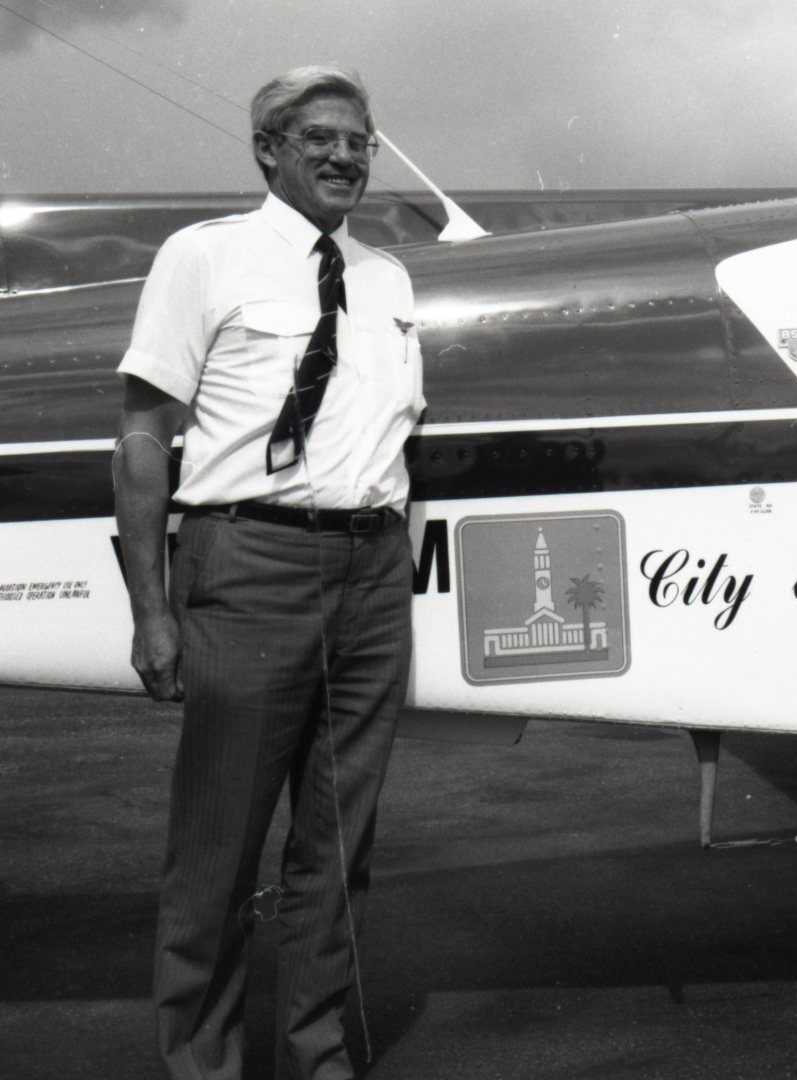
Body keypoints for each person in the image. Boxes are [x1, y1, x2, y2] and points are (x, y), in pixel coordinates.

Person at [114, 65, 423, 1080]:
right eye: (322, 138)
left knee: (338, 853)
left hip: (372, 577)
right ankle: (200, 1067)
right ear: (268, 150)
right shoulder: (204, 258)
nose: (345, 156)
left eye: (360, 140)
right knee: (217, 848)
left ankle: (317, 1059)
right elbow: (145, 437)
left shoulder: (386, 279)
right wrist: (152, 611)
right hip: (248, 564)